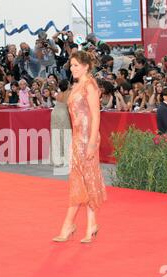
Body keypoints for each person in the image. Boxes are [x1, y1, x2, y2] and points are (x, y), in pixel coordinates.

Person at [53, 51, 107, 244]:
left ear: (86, 66)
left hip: (88, 139)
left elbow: (96, 115)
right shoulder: (76, 86)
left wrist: (92, 143)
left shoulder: (90, 86)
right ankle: (89, 224)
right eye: (72, 65)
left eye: (76, 65)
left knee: (86, 180)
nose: (73, 68)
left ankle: (69, 225)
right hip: (77, 139)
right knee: (80, 181)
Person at [50, 79, 72, 167]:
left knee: (56, 135)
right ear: (67, 85)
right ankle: (66, 159)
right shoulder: (69, 93)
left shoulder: (59, 93)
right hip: (63, 113)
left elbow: (54, 94)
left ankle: (57, 159)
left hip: (55, 113)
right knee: (65, 134)